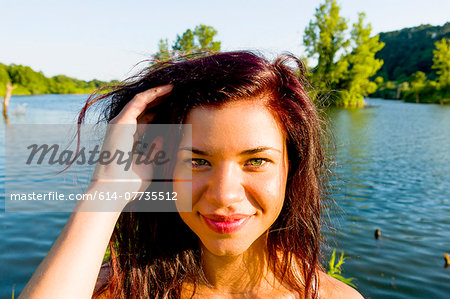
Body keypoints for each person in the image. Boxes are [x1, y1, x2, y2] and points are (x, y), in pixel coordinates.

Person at [20, 51, 363, 299]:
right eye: (197, 161)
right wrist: (109, 188)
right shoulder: (116, 290)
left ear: (293, 168)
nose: (224, 195)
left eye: (256, 161)